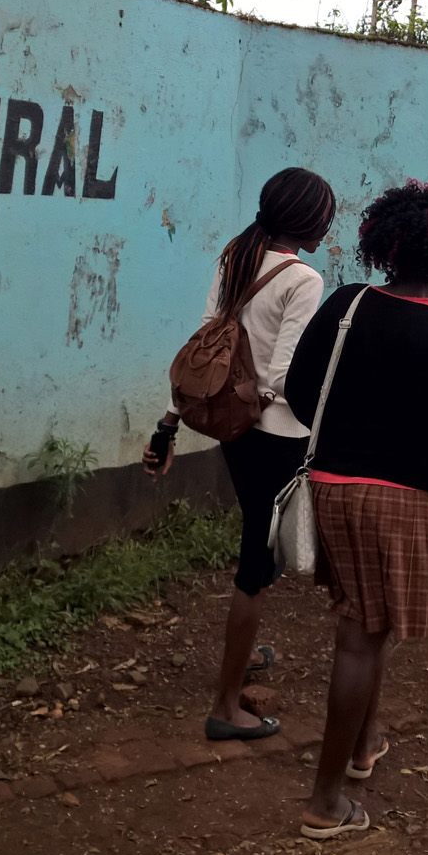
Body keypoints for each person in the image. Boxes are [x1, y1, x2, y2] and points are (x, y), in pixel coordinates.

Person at [286, 181, 428, 840]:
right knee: (362, 638)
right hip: (395, 500)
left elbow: (297, 390)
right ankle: (325, 803)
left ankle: (364, 742)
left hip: (329, 486)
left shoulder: (347, 303)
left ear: (388, 245)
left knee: (369, 622)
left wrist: (344, 442)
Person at [143, 166, 336, 742]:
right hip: (277, 433)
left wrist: (170, 422)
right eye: (324, 216)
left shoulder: (238, 255)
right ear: (306, 221)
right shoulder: (303, 278)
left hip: (232, 428)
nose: (328, 226)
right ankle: (226, 706)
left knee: (261, 547)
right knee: (257, 563)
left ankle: (242, 653)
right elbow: (283, 373)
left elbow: (204, 343)